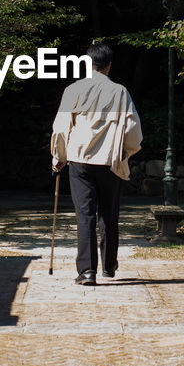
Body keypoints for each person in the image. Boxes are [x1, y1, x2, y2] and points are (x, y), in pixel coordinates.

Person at [50, 43, 143, 285]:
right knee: (109, 214)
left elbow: (61, 129)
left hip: (80, 160)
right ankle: (109, 266)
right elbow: (133, 130)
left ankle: (87, 271)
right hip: (109, 160)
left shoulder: (73, 90)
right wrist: (125, 153)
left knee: (85, 215)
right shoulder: (120, 92)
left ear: (87, 64)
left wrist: (59, 158)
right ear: (109, 65)